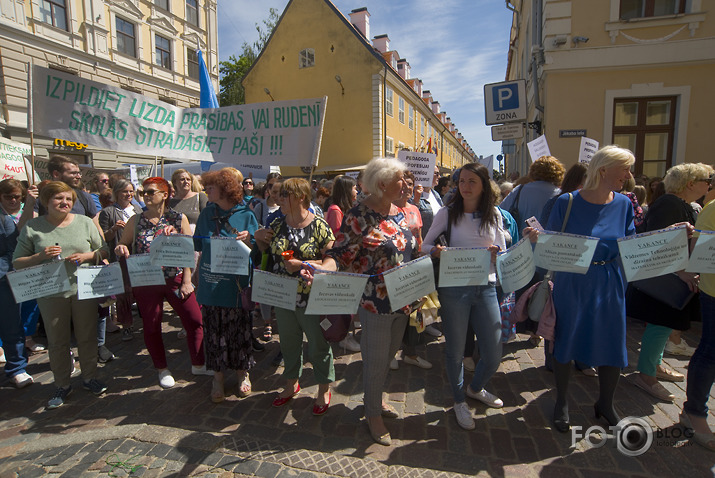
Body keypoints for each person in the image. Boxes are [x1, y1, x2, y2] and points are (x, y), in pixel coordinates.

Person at [524, 145, 638, 433]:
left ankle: (605, 404)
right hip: (573, 281)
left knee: (613, 343)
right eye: (624, 168)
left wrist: (673, 235)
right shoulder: (568, 202)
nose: (629, 174)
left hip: (609, 281)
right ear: (603, 170)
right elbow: (551, 243)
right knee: (567, 340)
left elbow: (632, 243)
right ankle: (562, 402)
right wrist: (538, 239)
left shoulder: (623, 203)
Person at [307, 157, 416, 445]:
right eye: (400, 179)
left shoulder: (399, 211)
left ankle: (374, 399)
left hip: (402, 298)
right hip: (375, 302)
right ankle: (372, 415)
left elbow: (406, 248)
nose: (406, 184)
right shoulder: (359, 215)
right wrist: (324, 268)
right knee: (375, 360)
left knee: (389, 355)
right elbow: (340, 253)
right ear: (382, 184)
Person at [422, 163, 506, 430]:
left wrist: (496, 252)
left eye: (472, 181)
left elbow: (503, 252)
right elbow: (425, 246)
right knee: (456, 351)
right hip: (454, 287)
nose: (466, 187)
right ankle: (459, 400)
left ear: (484, 185)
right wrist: (436, 252)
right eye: (462, 181)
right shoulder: (447, 213)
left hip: (486, 286)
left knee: (493, 352)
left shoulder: (494, 214)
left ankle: (475, 387)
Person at [13, 181, 109, 408]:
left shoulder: (85, 222)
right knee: (57, 340)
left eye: (68, 199)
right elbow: (17, 262)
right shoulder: (33, 227)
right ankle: (62, 384)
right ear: (46, 201)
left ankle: (90, 377)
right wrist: (39, 256)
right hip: (50, 292)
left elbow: (103, 249)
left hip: (83, 288)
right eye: (58, 198)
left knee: (87, 335)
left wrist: (86, 257)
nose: (64, 202)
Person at [114, 177, 210, 389]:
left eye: (151, 192)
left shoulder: (178, 218)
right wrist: (121, 248)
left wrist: (187, 280)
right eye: (144, 193)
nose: (146, 196)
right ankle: (162, 368)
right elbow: (122, 244)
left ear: (165, 195)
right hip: (146, 279)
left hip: (174, 277)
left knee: (194, 319)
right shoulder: (136, 221)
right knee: (152, 324)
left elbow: (187, 251)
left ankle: (198, 363)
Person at [628, 163, 714, 401]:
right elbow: (658, 241)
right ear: (690, 183)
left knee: (664, 325)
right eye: (707, 180)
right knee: (660, 324)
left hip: (671, 276)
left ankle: (653, 366)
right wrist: (680, 271)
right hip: (665, 278)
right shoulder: (670, 203)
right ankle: (646, 375)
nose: (709, 185)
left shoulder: (679, 204)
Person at [254, 178, 335, 416]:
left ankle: (323, 387)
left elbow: (333, 261)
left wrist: (304, 264)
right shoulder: (278, 224)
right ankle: (291, 383)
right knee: (288, 343)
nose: (279, 199)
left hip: (311, 295)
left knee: (318, 344)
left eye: (284, 195)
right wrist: (259, 238)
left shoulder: (319, 225)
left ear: (300, 196)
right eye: (278, 195)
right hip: (282, 294)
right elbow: (266, 252)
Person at [194, 168, 259, 403]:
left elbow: (258, 248)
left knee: (240, 330)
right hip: (212, 283)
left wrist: (250, 239)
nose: (206, 190)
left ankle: (243, 374)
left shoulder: (246, 214)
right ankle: (218, 378)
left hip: (237, 284)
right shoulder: (206, 214)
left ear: (224, 190)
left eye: (210, 187)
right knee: (214, 332)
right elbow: (198, 246)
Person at [681, 188, 715, 450]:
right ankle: (695, 411)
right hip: (713, 292)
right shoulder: (712, 209)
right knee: (711, 351)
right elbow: (700, 254)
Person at [391, 171, 431, 370]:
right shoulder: (389, 210)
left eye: (410, 184)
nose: (407, 187)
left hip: (415, 265)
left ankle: (411, 353)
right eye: (404, 183)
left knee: (416, 313)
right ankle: (390, 352)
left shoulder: (415, 209)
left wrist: (423, 260)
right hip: (395, 267)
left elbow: (420, 236)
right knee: (395, 312)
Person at [0, 181, 38, 388]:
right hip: (4, 274)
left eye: (17, 196)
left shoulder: (26, 211)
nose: (14, 200)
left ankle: (17, 366)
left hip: (22, 272)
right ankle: (15, 366)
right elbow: (13, 240)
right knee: (9, 322)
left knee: (18, 321)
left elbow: (24, 234)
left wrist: (30, 205)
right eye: (8, 197)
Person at [98, 179, 143, 341]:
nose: (129, 194)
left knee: (140, 289)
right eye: (125, 191)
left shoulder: (138, 209)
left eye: (131, 191)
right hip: (119, 257)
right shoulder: (108, 212)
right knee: (123, 293)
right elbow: (103, 238)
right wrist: (114, 229)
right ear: (116, 193)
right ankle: (127, 326)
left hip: (138, 255)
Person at [324, 175, 361, 352]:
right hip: (342, 264)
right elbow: (338, 239)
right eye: (354, 188)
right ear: (347, 190)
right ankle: (343, 336)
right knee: (344, 302)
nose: (356, 191)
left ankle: (347, 333)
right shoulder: (336, 211)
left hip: (351, 261)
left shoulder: (348, 209)